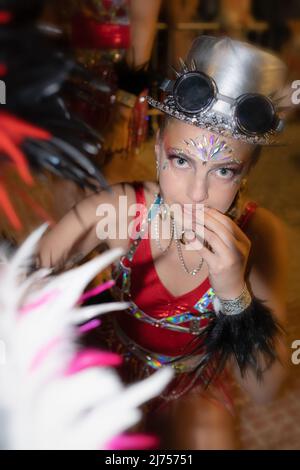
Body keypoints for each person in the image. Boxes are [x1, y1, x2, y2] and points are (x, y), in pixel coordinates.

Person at [37, 36, 289, 449]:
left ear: (245, 174)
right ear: (158, 152)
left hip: (190, 384)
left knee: (207, 438)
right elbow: (26, 273)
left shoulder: (260, 235)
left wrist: (234, 295)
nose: (195, 193)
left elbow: (266, 390)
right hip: (111, 363)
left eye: (223, 171)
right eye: (181, 160)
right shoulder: (119, 210)